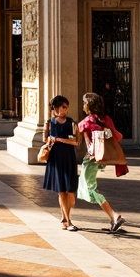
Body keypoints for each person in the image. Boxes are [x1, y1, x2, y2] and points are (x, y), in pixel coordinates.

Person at [76, 91, 126, 232]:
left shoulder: (86, 122)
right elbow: (119, 136)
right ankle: (112, 218)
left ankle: (114, 215)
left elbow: (77, 135)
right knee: (89, 187)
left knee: (90, 189)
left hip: (91, 159)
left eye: (85, 103)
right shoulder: (107, 119)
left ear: (88, 105)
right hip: (101, 158)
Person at [43, 94, 80, 230]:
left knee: (70, 191)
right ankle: (68, 221)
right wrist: (50, 140)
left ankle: (65, 216)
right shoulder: (49, 123)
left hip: (69, 158)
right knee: (61, 190)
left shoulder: (72, 123)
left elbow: (76, 141)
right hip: (56, 159)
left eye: (66, 107)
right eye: (63, 107)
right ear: (55, 108)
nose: (65, 110)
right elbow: (44, 138)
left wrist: (59, 139)